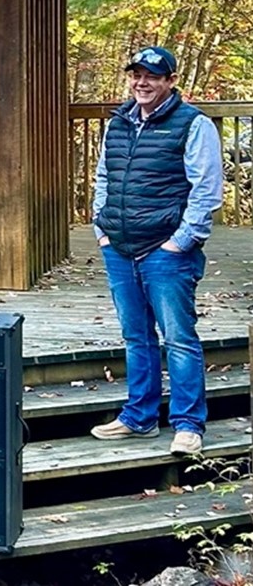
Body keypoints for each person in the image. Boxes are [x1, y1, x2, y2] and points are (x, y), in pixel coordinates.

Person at [89, 45, 223, 456]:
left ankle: (188, 425)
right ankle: (139, 417)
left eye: (151, 76)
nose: (141, 82)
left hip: (166, 251)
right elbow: (104, 177)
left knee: (179, 338)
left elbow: (206, 190)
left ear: (170, 81)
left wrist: (180, 241)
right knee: (136, 336)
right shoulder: (119, 123)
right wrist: (102, 228)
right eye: (136, 75)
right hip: (120, 246)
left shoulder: (193, 124)